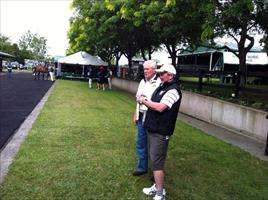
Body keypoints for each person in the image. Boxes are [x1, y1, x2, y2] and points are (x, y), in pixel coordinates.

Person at [137, 64, 181, 200]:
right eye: (160, 73)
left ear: (171, 75)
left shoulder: (173, 90)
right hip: (153, 129)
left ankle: (160, 194)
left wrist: (143, 101)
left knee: (157, 163)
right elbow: (154, 101)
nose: (160, 76)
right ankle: (157, 187)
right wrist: (146, 99)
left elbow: (161, 107)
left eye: (163, 73)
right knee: (154, 159)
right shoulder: (162, 87)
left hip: (161, 132)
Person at [132, 60, 161, 176]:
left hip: (153, 117)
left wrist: (144, 99)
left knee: (154, 146)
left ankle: (156, 173)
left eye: (147, 69)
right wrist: (136, 113)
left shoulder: (159, 82)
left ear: (154, 69)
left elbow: (157, 102)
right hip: (141, 115)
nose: (145, 71)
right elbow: (138, 99)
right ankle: (142, 168)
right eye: (144, 69)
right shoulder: (142, 82)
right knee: (141, 143)